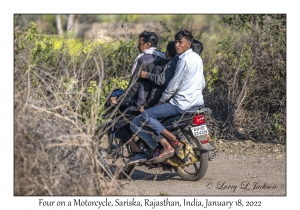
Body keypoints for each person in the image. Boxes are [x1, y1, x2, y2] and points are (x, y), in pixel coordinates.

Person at [130, 29, 206, 164]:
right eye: (176, 42)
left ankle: (171, 144)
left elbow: (173, 86)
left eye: (180, 42)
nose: (177, 45)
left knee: (146, 115)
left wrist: (161, 101)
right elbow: (202, 83)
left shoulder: (183, 60)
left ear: (188, 44)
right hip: (198, 102)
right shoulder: (197, 58)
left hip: (181, 104)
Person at [108, 31, 165, 162]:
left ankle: (137, 151)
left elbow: (133, 87)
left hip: (142, 103)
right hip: (160, 102)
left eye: (140, 43)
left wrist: (119, 100)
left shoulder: (141, 59)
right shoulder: (163, 56)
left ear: (147, 44)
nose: (139, 46)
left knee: (118, 124)